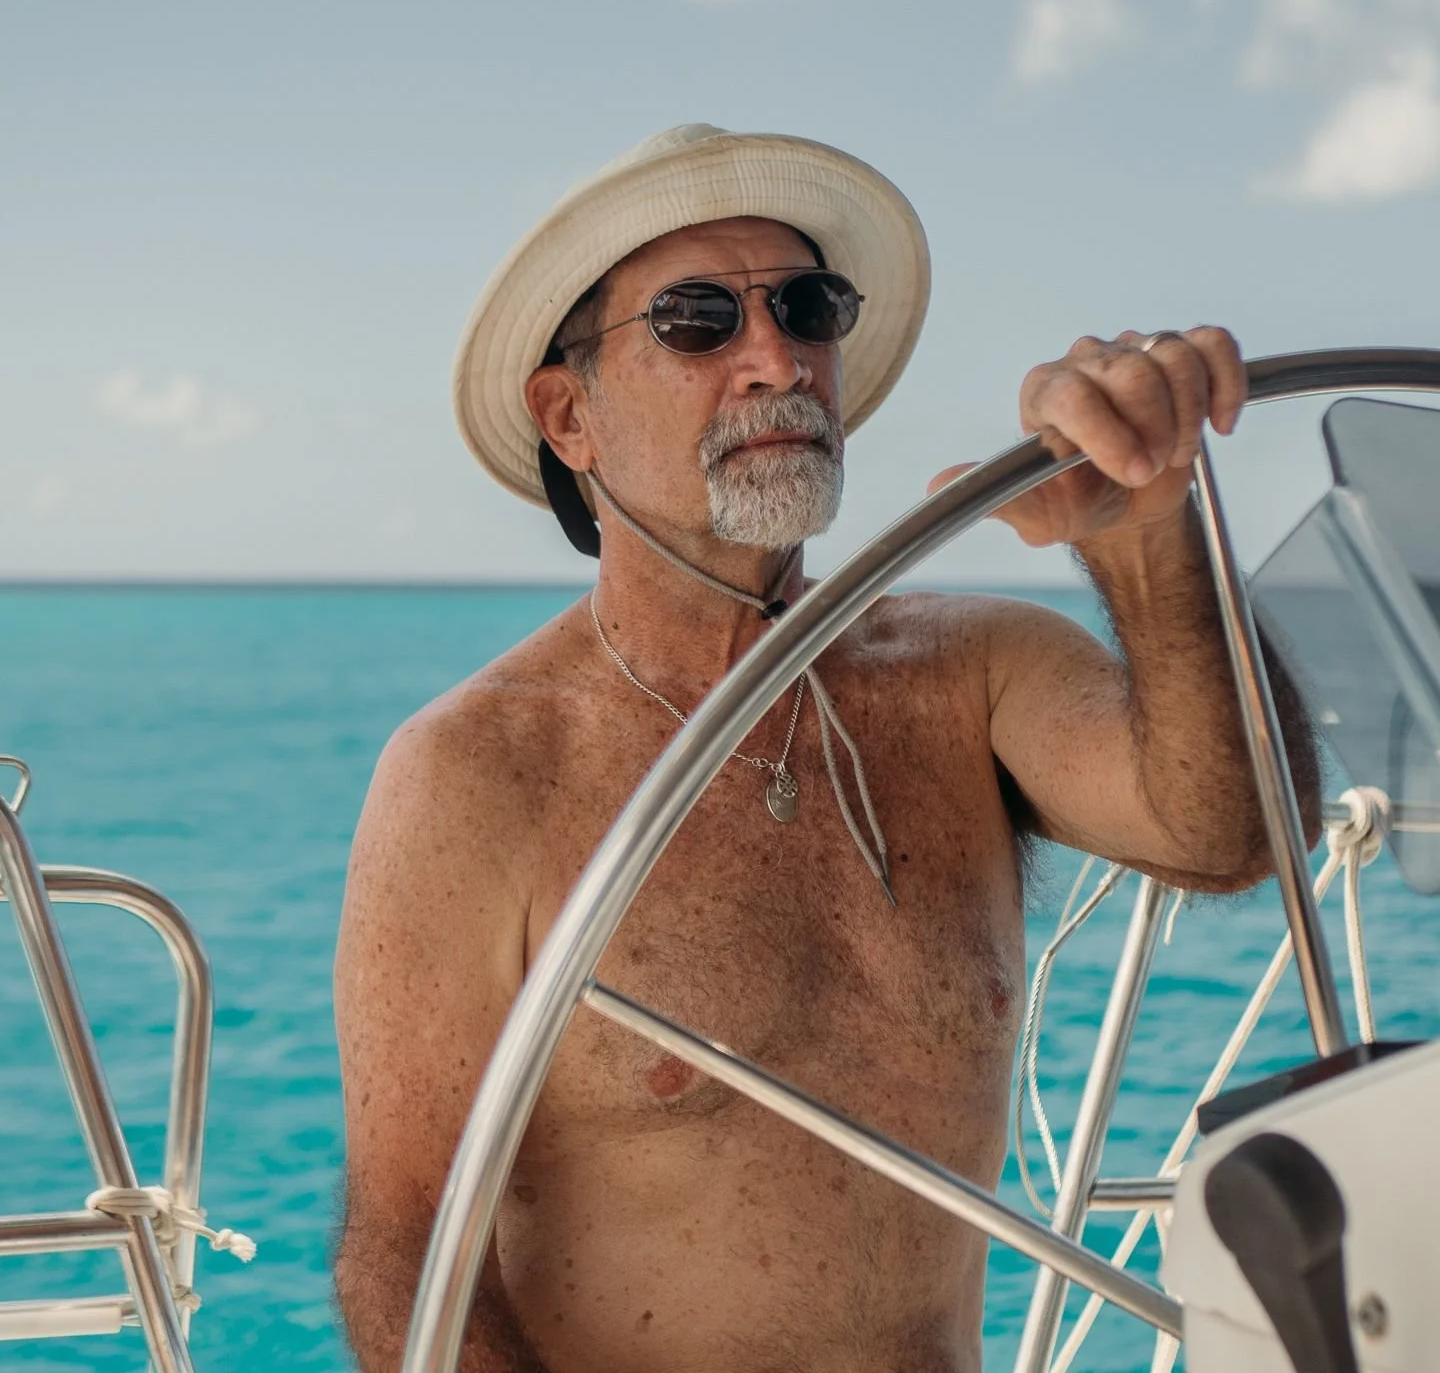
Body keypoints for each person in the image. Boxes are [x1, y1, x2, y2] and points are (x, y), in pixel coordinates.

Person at [333, 124, 1318, 1373]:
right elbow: (406, 1248)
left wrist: (1143, 538)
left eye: (807, 309)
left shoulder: (970, 675)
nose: (777, 361)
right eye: (697, 322)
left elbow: (1233, 833)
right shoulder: (476, 772)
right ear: (568, 414)